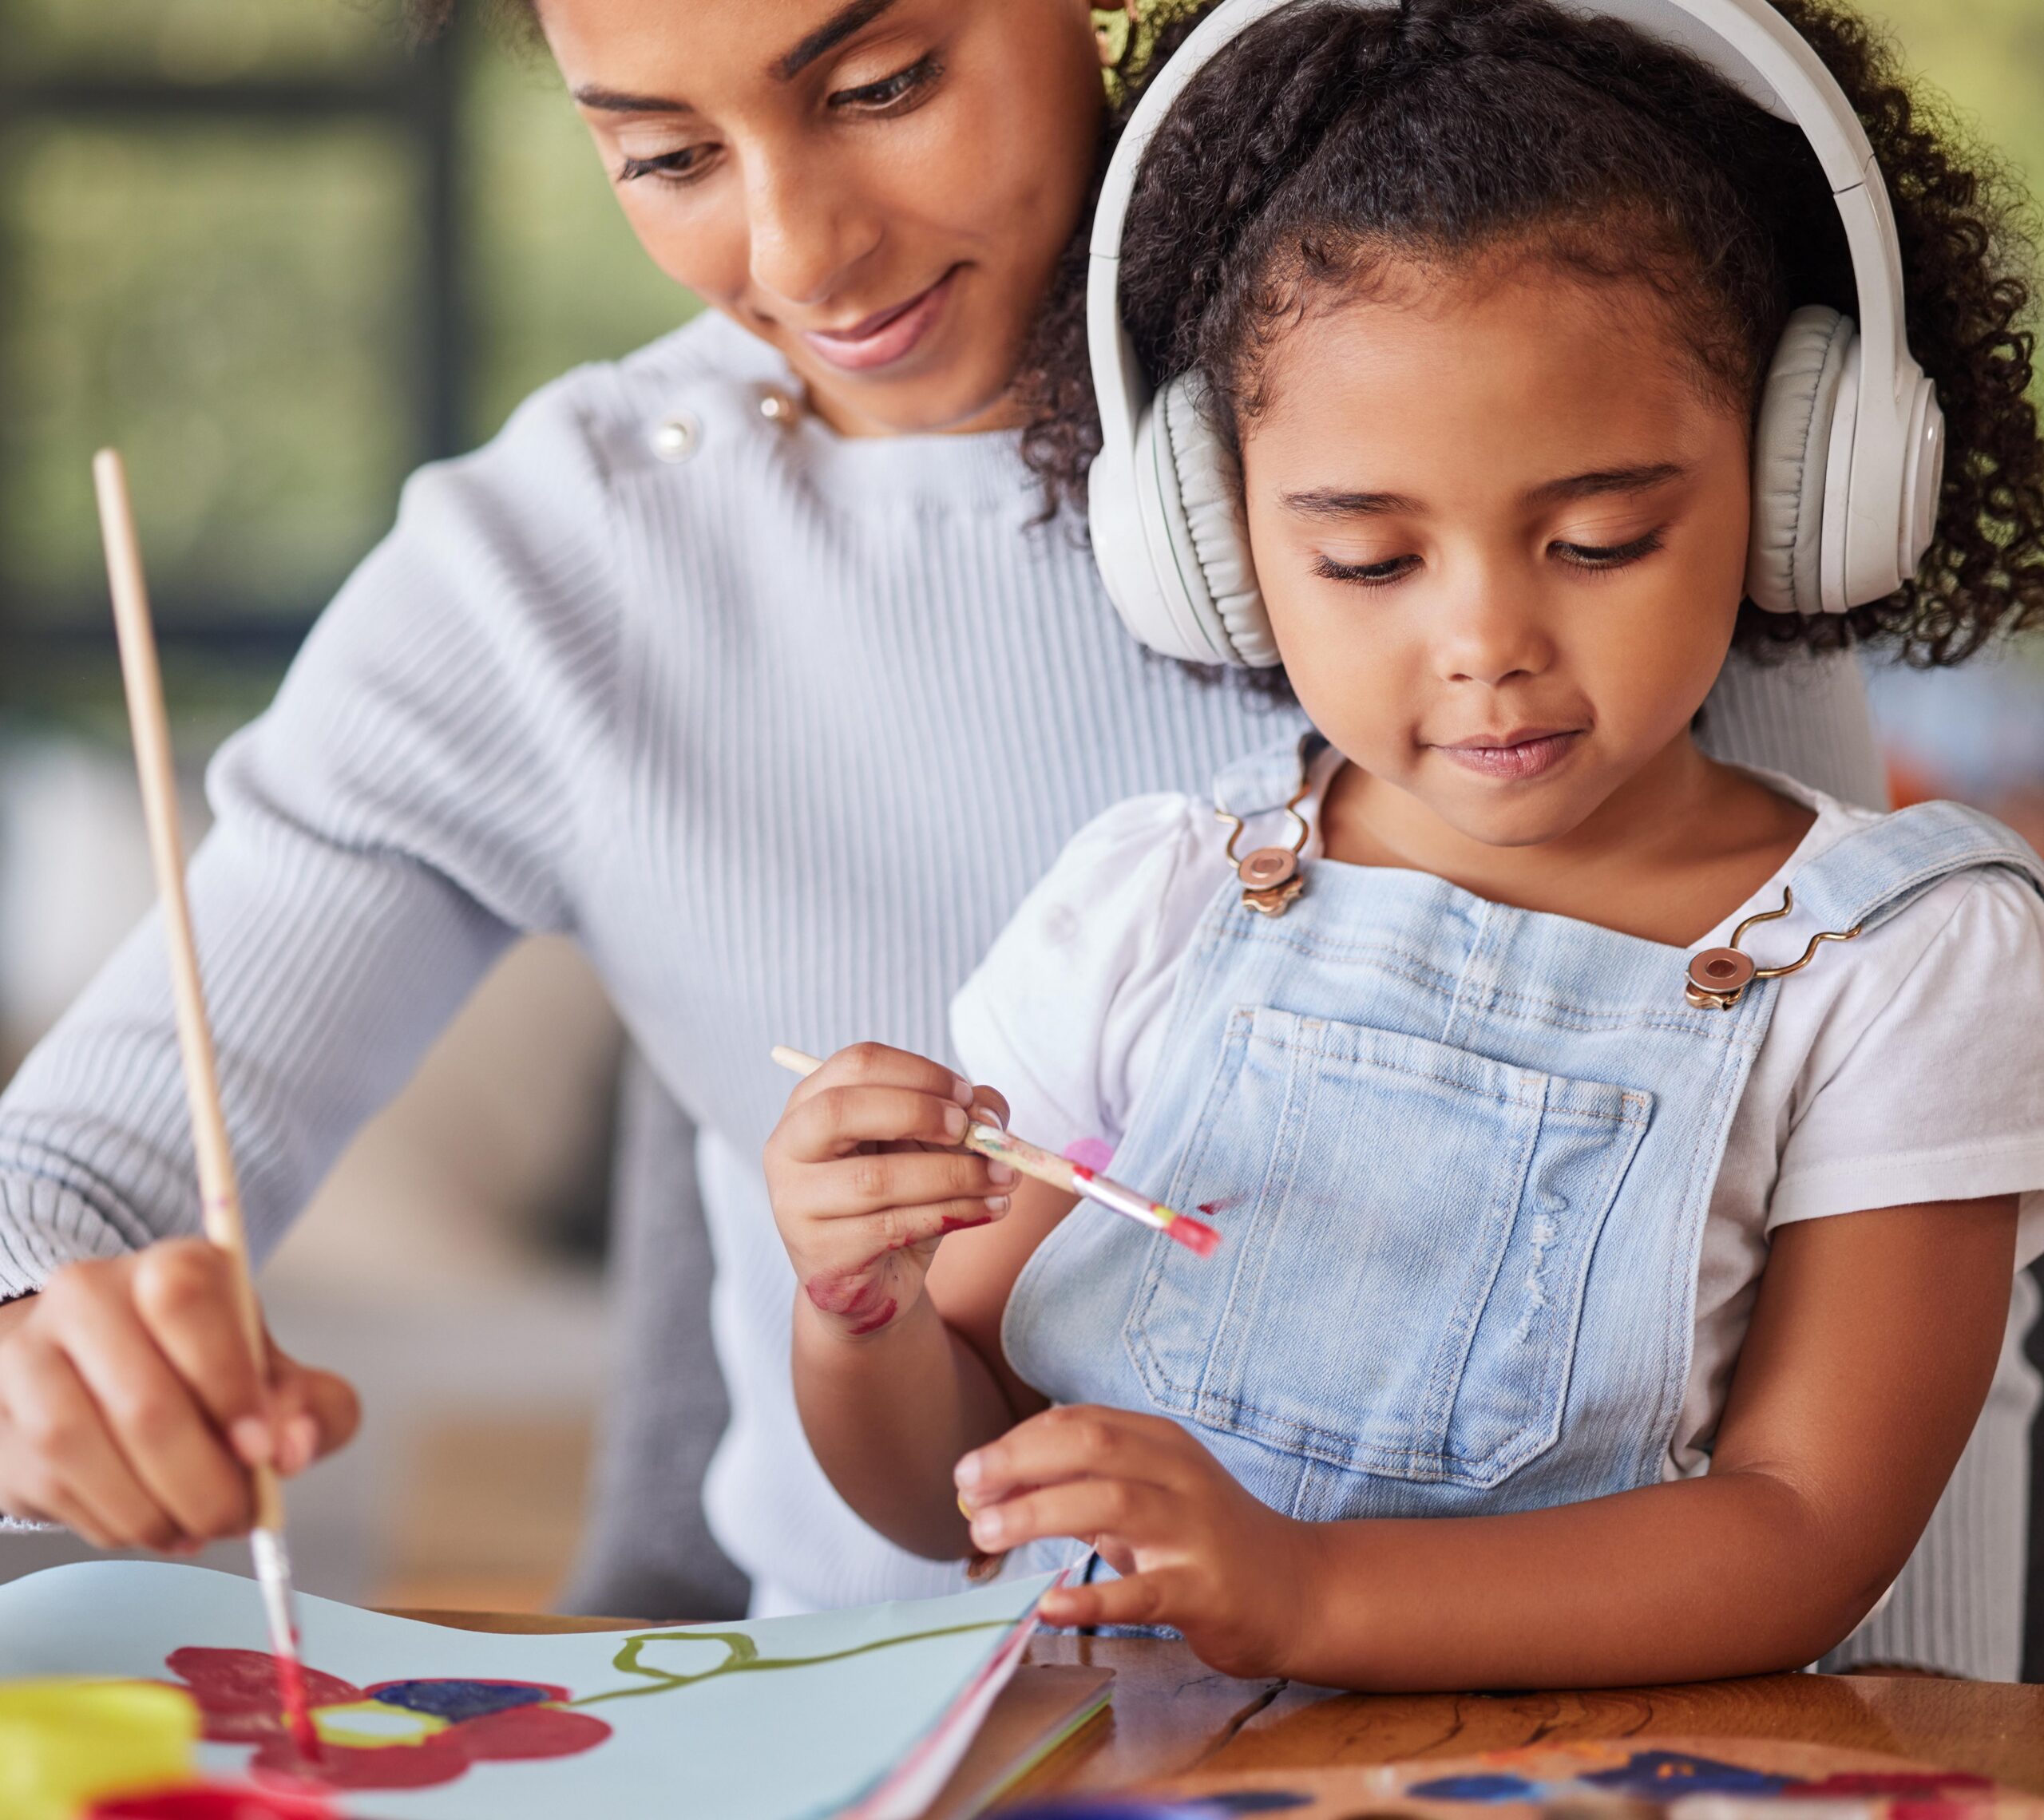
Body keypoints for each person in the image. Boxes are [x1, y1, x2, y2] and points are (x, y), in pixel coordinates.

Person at [0, 0, 2018, 1672]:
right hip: (952, 1700)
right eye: (664, 156)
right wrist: (47, 1342)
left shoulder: (1563, 317)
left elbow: (1854, 1381)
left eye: (880, 85)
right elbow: (72, 1171)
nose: (804, 257)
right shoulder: (557, 575)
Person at [763, 0, 2044, 1686]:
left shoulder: (1904, 964)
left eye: (1598, 539)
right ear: (1212, 544)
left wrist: (1301, 1592)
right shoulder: (1156, 896)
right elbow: (958, 1492)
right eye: (1368, 560)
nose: (1486, 641)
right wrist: (853, 1314)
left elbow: (1801, 1530)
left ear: (1796, 480)